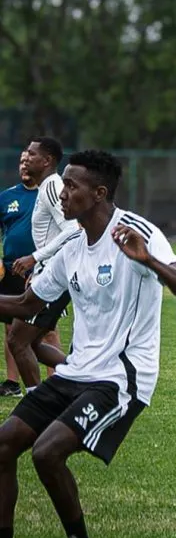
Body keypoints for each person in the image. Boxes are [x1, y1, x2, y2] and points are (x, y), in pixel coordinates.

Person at [0, 149, 176, 538]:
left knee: (46, 453)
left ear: (99, 193)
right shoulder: (72, 246)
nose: (62, 194)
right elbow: (26, 304)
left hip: (120, 378)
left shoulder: (137, 232)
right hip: (76, 373)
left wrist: (149, 261)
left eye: (71, 186)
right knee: (3, 445)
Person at [9, 138, 78, 391]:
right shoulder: (46, 186)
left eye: (32, 154)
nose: (26, 157)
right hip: (46, 273)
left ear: (47, 161)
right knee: (32, 343)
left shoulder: (52, 186)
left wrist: (35, 258)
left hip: (52, 276)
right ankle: (83, 378)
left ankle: (36, 403)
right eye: (25, 153)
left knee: (18, 340)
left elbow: (73, 230)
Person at [0, 155, 39, 397]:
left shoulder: (51, 195)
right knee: (10, 328)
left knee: (47, 330)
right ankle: (12, 383)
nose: (24, 164)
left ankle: (53, 382)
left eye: (29, 160)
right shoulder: (6, 197)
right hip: (11, 269)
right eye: (21, 161)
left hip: (41, 269)